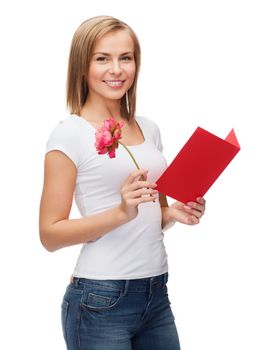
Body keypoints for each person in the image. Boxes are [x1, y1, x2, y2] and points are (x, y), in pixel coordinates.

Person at [39, 15, 206, 350]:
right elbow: (49, 235)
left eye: (125, 58)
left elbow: (151, 217)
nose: (116, 69)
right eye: (102, 58)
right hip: (101, 298)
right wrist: (120, 212)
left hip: (155, 292)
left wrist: (171, 214)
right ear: (82, 66)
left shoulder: (149, 128)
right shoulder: (69, 133)